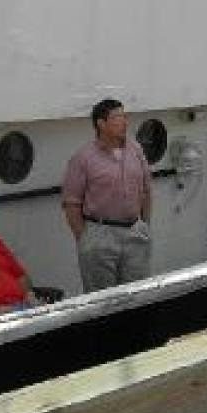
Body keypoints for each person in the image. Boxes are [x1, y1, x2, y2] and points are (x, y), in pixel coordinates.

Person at [62, 98, 153, 292]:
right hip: (100, 235)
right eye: (117, 117)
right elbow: (72, 203)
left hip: (135, 233)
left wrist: (144, 225)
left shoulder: (136, 150)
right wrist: (86, 239)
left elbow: (146, 190)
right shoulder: (83, 158)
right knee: (101, 301)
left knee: (137, 296)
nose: (124, 122)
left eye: (124, 116)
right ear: (101, 124)